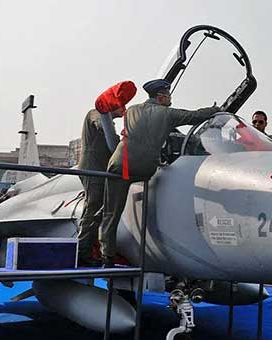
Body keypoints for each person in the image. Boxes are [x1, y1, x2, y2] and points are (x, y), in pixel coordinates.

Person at [99, 79, 220, 266]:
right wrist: (214, 110)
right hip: (146, 169)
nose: (170, 99)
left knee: (111, 212)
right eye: (169, 95)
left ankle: (107, 256)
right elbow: (195, 116)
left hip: (120, 165)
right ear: (162, 96)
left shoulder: (131, 110)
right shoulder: (168, 113)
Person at [77, 81, 136, 266]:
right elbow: (100, 125)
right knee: (92, 209)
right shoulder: (97, 113)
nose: (124, 109)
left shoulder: (109, 121)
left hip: (103, 171)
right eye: (122, 104)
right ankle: (82, 254)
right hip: (93, 169)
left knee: (99, 212)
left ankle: (91, 250)